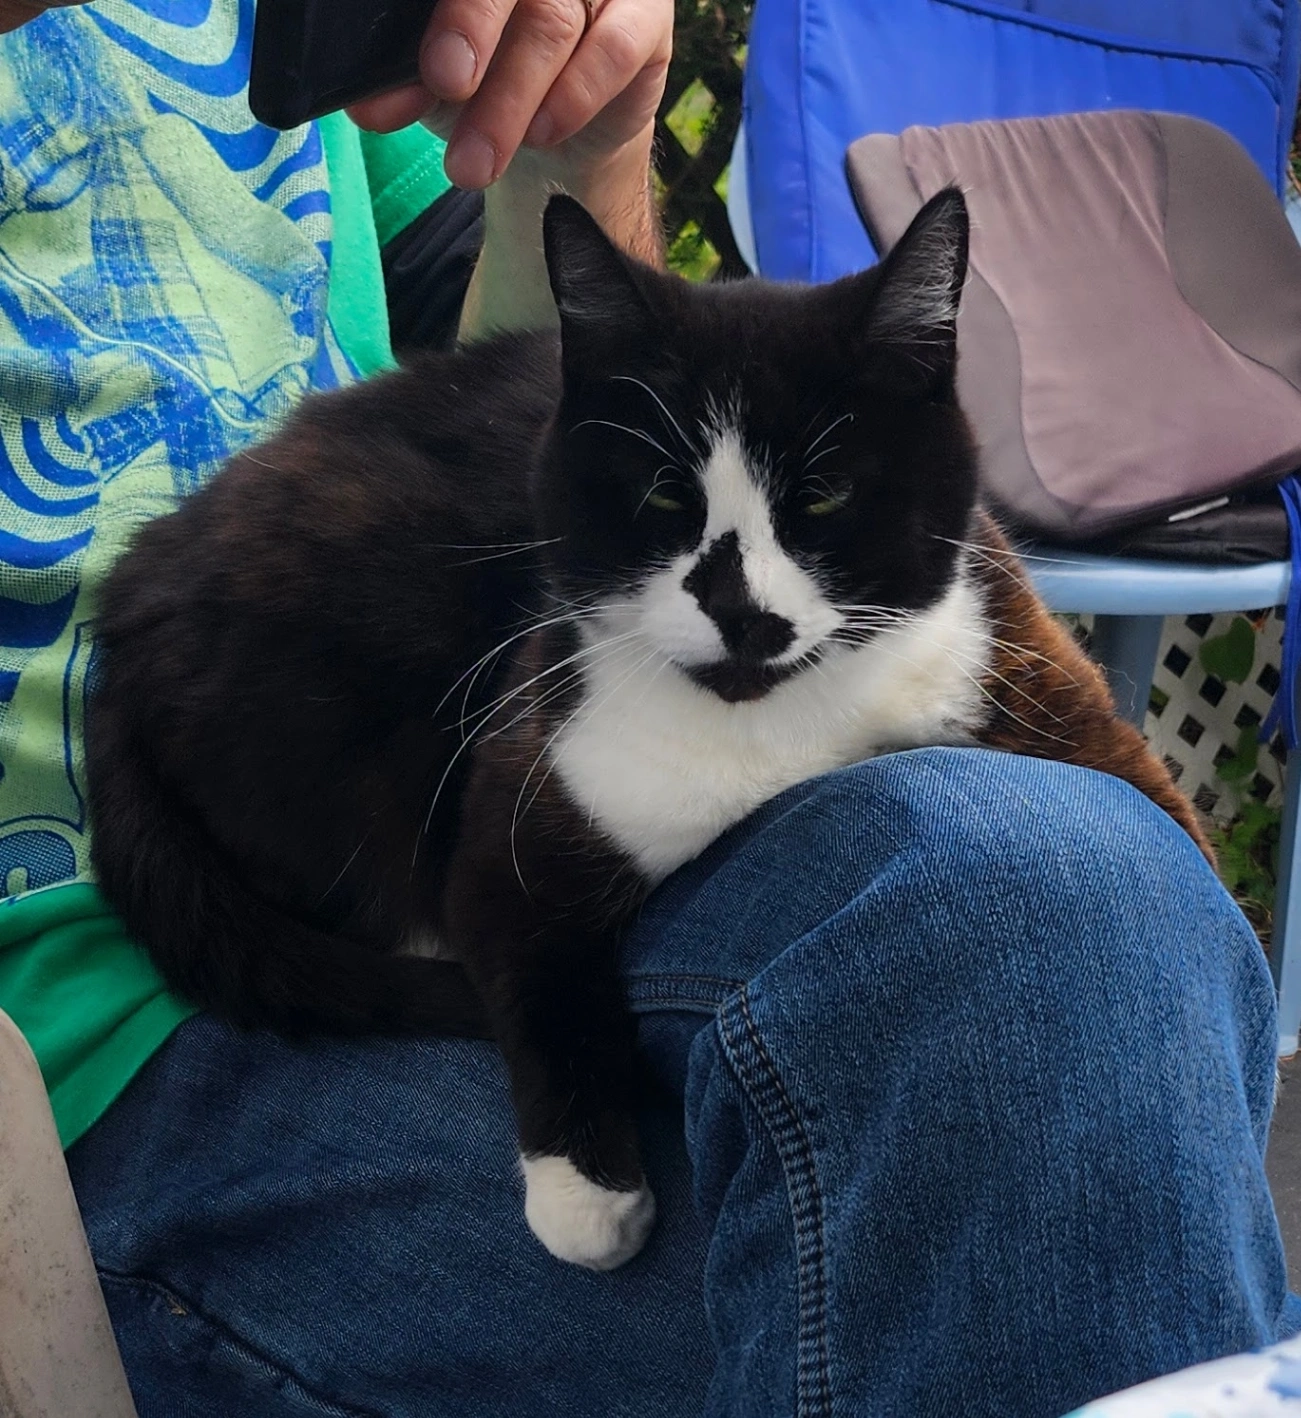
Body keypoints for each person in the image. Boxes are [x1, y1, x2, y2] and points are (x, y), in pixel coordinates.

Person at [0, 2, 1294, 1414]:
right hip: (110, 1059)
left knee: (1073, 905)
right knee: (1040, 1193)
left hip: (508, 784)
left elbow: (527, 396)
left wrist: (587, 137)